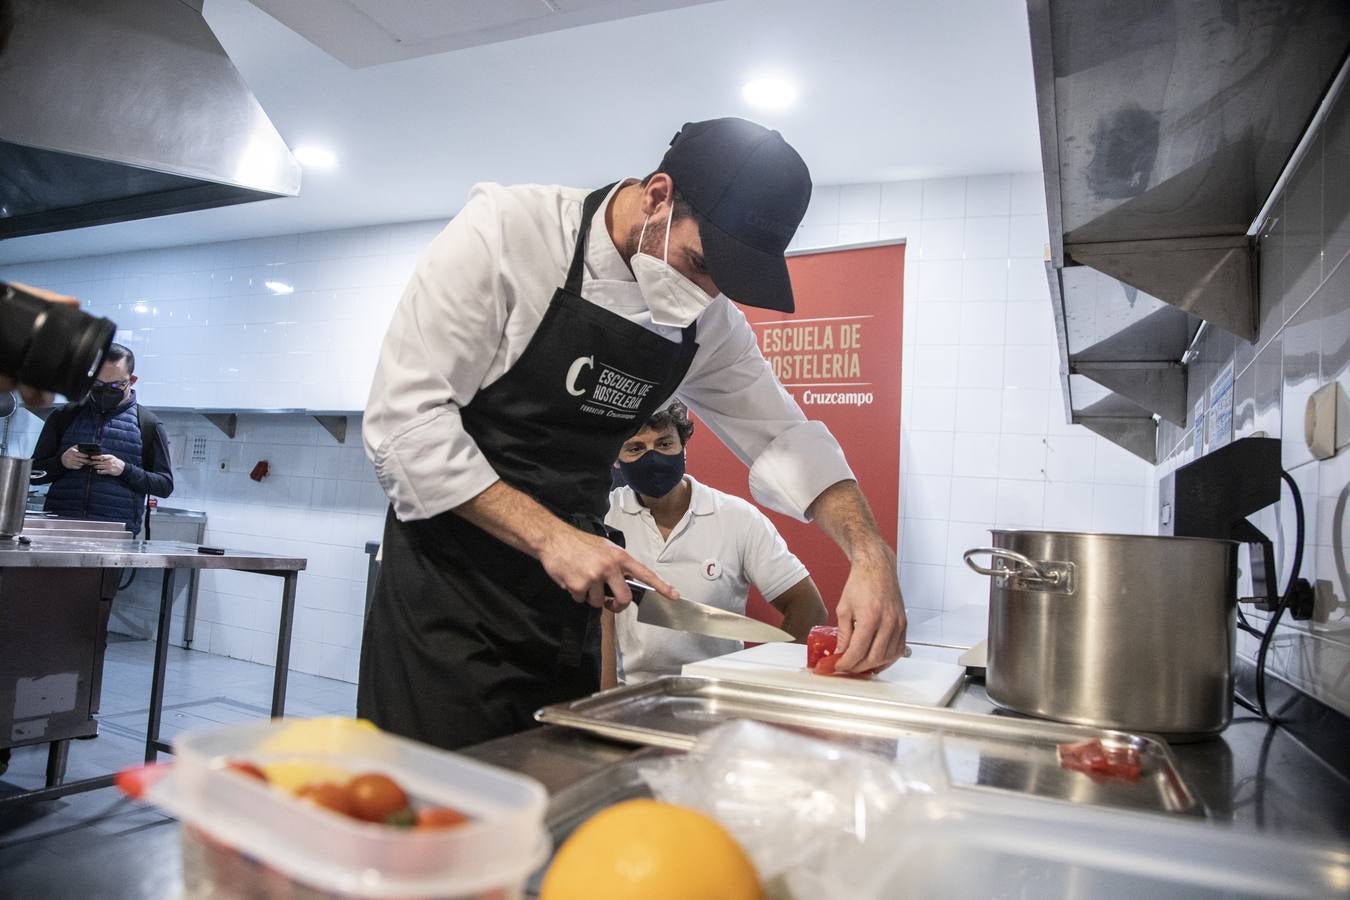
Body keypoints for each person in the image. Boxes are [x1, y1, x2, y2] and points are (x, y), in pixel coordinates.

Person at [361, 117, 907, 751]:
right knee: (433, 814)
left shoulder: (709, 325)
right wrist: (550, 537)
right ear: (657, 196)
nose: (705, 293)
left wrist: (870, 553)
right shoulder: (509, 235)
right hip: (446, 597)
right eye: (700, 263)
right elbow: (405, 427)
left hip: (569, 601)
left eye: (722, 283)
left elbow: (782, 435)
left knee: (547, 799)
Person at [602, 401, 827, 685]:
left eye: (664, 444)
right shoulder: (603, 515)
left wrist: (771, 681)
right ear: (616, 458)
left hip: (716, 700)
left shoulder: (737, 518)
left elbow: (809, 606)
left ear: (684, 447)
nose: (653, 458)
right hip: (629, 699)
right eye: (635, 448)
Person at [31, 343, 173, 535]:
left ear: (132, 380)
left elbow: (164, 485)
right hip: (59, 530)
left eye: (115, 385)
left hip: (115, 536)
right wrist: (61, 462)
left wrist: (124, 470)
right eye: (97, 384)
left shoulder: (148, 425)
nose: (106, 390)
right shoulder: (64, 416)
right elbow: (33, 474)